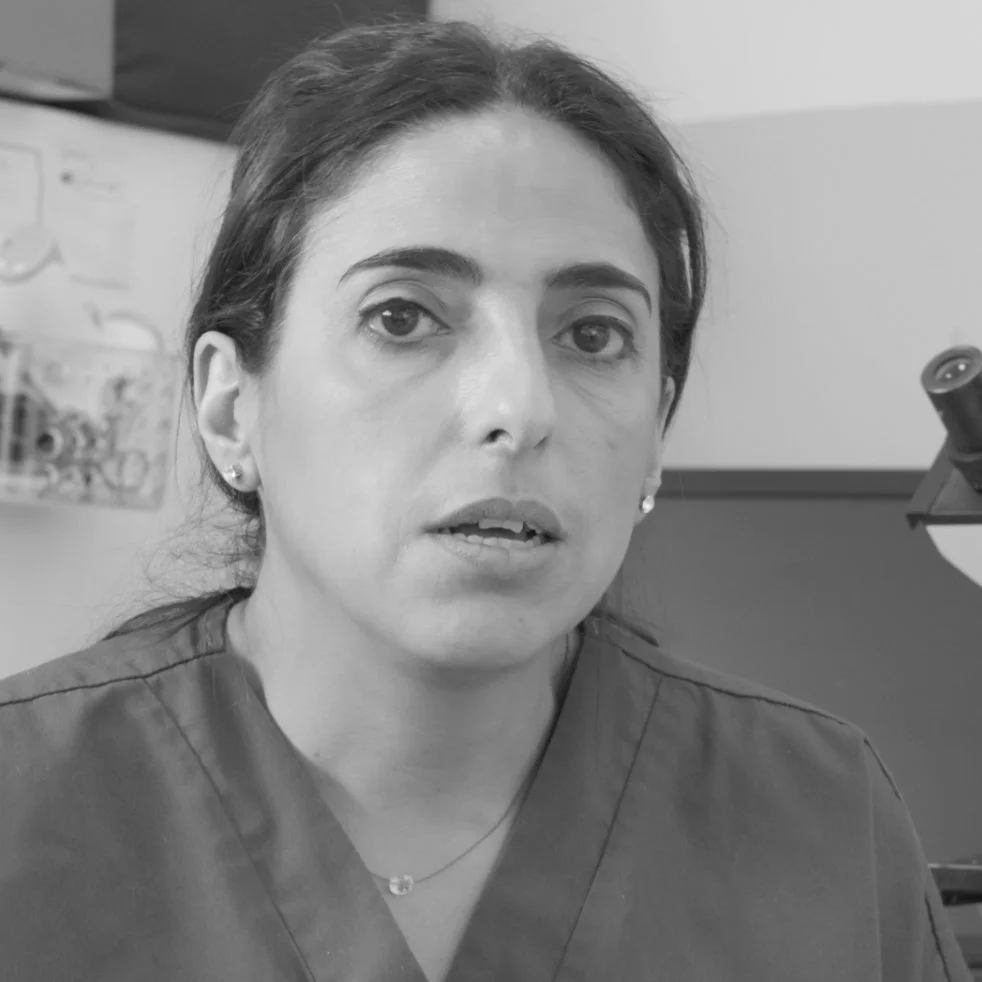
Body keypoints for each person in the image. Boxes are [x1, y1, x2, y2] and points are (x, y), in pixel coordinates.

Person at [0, 16, 971, 982]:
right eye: (401, 317)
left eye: (592, 335)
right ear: (229, 407)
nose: (519, 407)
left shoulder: (823, 822)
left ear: (655, 432)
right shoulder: (26, 804)